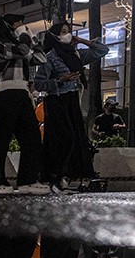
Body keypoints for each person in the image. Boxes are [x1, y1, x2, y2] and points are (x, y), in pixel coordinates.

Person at [34, 21, 109, 193]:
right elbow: (39, 84)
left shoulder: (75, 54)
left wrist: (82, 40)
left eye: (68, 31)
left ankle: (64, 177)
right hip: (56, 101)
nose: (67, 35)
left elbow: (102, 50)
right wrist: (60, 80)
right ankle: (55, 176)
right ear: (55, 36)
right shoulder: (50, 57)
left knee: (75, 138)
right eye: (63, 32)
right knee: (63, 137)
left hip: (72, 100)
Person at [0, 13, 50, 195]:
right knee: (1, 141)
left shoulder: (20, 44)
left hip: (22, 93)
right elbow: (22, 51)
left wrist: (31, 37)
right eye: (16, 23)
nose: (21, 25)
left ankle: (27, 180)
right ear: (6, 27)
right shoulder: (0, 45)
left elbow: (41, 58)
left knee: (31, 138)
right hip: (4, 93)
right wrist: (23, 35)